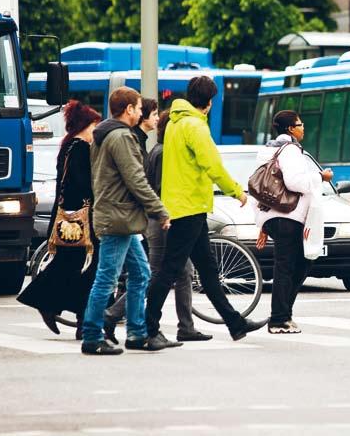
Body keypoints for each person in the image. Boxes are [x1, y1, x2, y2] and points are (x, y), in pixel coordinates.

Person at [145, 76, 267, 342]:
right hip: (188, 207)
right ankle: (148, 328)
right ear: (210, 102)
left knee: (208, 271)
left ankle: (235, 324)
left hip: (185, 205)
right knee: (169, 270)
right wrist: (236, 191)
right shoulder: (195, 127)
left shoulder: (176, 123)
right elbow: (212, 165)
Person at [103, 112, 213, 344]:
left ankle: (186, 326)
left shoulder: (157, 150)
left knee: (182, 272)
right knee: (156, 274)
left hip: (161, 218)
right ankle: (112, 315)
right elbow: (163, 189)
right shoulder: (164, 153)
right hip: (164, 220)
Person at [81, 87, 172, 355]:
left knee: (141, 273)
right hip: (118, 217)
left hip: (121, 216)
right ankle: (91, 335)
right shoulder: (121, 137)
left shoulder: (104, 134)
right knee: (106, 279)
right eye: (139, 107)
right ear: (129, 109)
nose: (142, 112)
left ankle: (137, 333)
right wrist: (160, 210)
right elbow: (136, 179)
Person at [18, 100, 102, 339]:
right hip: (79, 219)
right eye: (95, 125)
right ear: (87, 125)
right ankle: (62, 310)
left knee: (73, 267)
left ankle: (70, 314)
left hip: (70, 217)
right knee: (82, 268)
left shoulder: (69, 146)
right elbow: (81, 183)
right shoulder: (79, 148)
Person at [253, 110, 333, 333]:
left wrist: (263, 224)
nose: (303, 127)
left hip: (273, 216)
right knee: (290, 266)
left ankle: (284, 313)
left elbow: (260, 187)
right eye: (300, 124)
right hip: (288, 217)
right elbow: (295, 182)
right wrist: (321, 177)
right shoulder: (290, 151)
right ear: (290, 129)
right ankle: (279, 318)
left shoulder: (267, 150)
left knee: (297, 263)